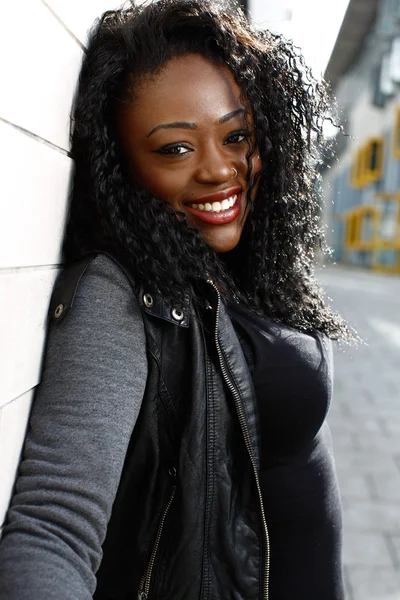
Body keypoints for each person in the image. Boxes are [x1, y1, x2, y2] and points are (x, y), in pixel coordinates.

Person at [0, 1, 353, 598]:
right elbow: (53, 528)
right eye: (175, 149)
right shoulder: (117, 297)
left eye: (237, 135)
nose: (221, 170)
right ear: (121, 165)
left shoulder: (250, 261)